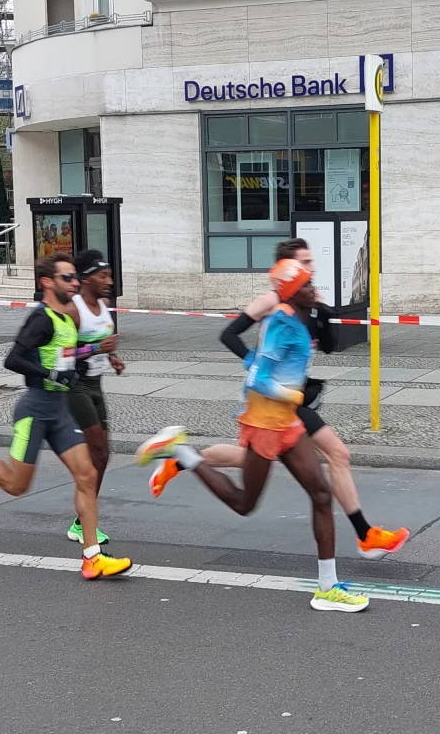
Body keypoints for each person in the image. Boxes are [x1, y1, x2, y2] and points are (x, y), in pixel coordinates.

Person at [149, 238, 409, 560]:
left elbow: (327, 346)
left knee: (250, 459)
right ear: (287, 269)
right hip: (274, 400)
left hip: (289, 400)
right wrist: (254, 364)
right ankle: (364, 535)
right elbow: (229, 335)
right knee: (335, 454)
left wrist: (323, 315)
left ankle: (179, 459)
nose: (311, 269)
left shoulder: (305, 303)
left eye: (310, 264)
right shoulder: (271, 302)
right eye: (304, 263)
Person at [136, 260, 369, 612]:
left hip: (286, 421)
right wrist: (295, 395)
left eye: (311, 281)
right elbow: (258, 379)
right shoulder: (281, 324)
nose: (313, 288)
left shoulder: (300, 318)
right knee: (244, 503)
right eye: (306, 285)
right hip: (264, 423)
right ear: (291, 293)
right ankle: (183, 453)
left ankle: (327, 588)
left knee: (322, 495)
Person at [0, 253, 133, 581]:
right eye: (67, 278)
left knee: (87, 475)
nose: (74, 283)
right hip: (35, 411)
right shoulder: (41, 318)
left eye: (75, 277)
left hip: (59, 410)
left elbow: (66, 356)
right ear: (47, 282)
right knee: (15, 485)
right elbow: (14, 359)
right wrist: (50, 374)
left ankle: (93, 557)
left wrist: (90, 356)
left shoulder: (66, 319)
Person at [62, 250, 123, 545]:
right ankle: (83, 522)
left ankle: (81, 519)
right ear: (86, 279)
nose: (109, 281)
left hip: (97, 384)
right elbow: (62, 353)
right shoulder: (73, 311)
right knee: (97, 450)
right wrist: (98, 349)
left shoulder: (104, 305)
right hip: (76, 386)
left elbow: (103, 341)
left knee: (102, 454)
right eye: (103, 276)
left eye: (109, 275)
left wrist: (112, 358)